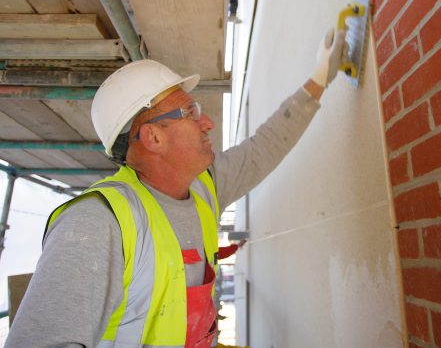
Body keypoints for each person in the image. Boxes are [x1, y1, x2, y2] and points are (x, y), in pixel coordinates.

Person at [5, 28, 347, 348]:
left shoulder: (203, 188)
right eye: (190, 111)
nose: (207, 122)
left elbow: (262, 149)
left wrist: (319, 80)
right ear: (153, 136)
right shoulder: (99, 224)